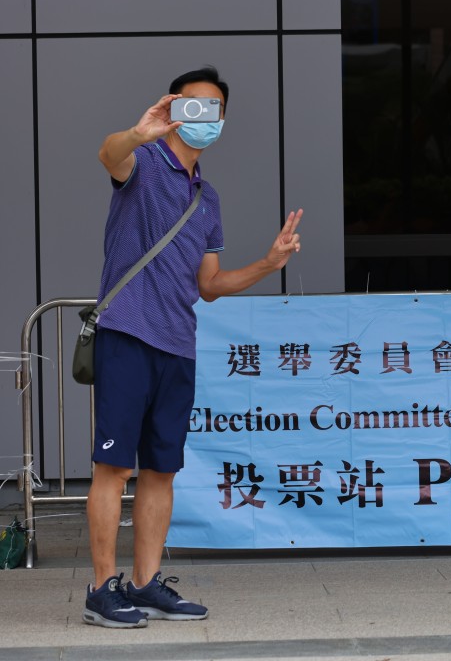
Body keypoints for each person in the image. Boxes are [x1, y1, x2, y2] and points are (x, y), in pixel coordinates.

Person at [82, 67, 303, 628]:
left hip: (178, 344)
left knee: (161, 471)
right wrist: (138, 132)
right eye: (194, 106)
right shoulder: (143, 162)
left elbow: (209, 285)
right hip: (128, 333)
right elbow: (108, 155)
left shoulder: (207, 197)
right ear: (177, 107)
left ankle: (145, 583)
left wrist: (268, 263)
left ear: (222, 120)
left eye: (215, 110)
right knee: (114, 467)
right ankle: (102, 588)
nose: (205, 118)